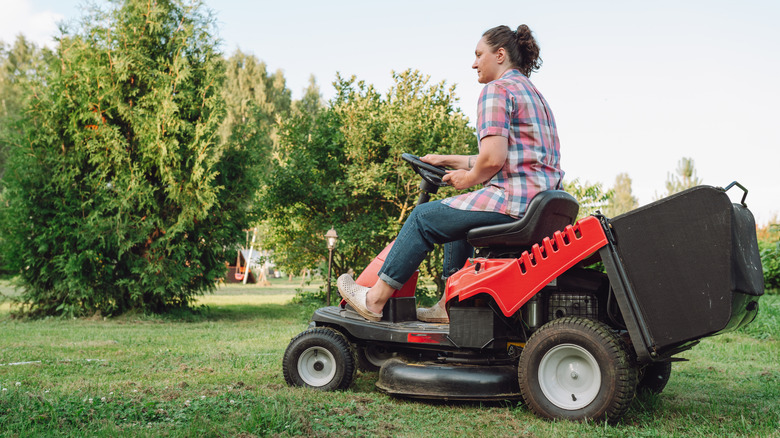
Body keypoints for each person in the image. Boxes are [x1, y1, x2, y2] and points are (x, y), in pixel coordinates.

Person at [338, 24, 564, 323]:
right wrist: (447, 160)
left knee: (423, 218)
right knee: (459, 222)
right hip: (538, 205)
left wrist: (468, 179)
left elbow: (493, 159)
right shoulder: (535, 96)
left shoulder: (496, 90)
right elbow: (506, 157)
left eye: (478, 54)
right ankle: (449, 303)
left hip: (512, 202)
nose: (474, 63)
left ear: (499, 55)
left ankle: (374, 299)